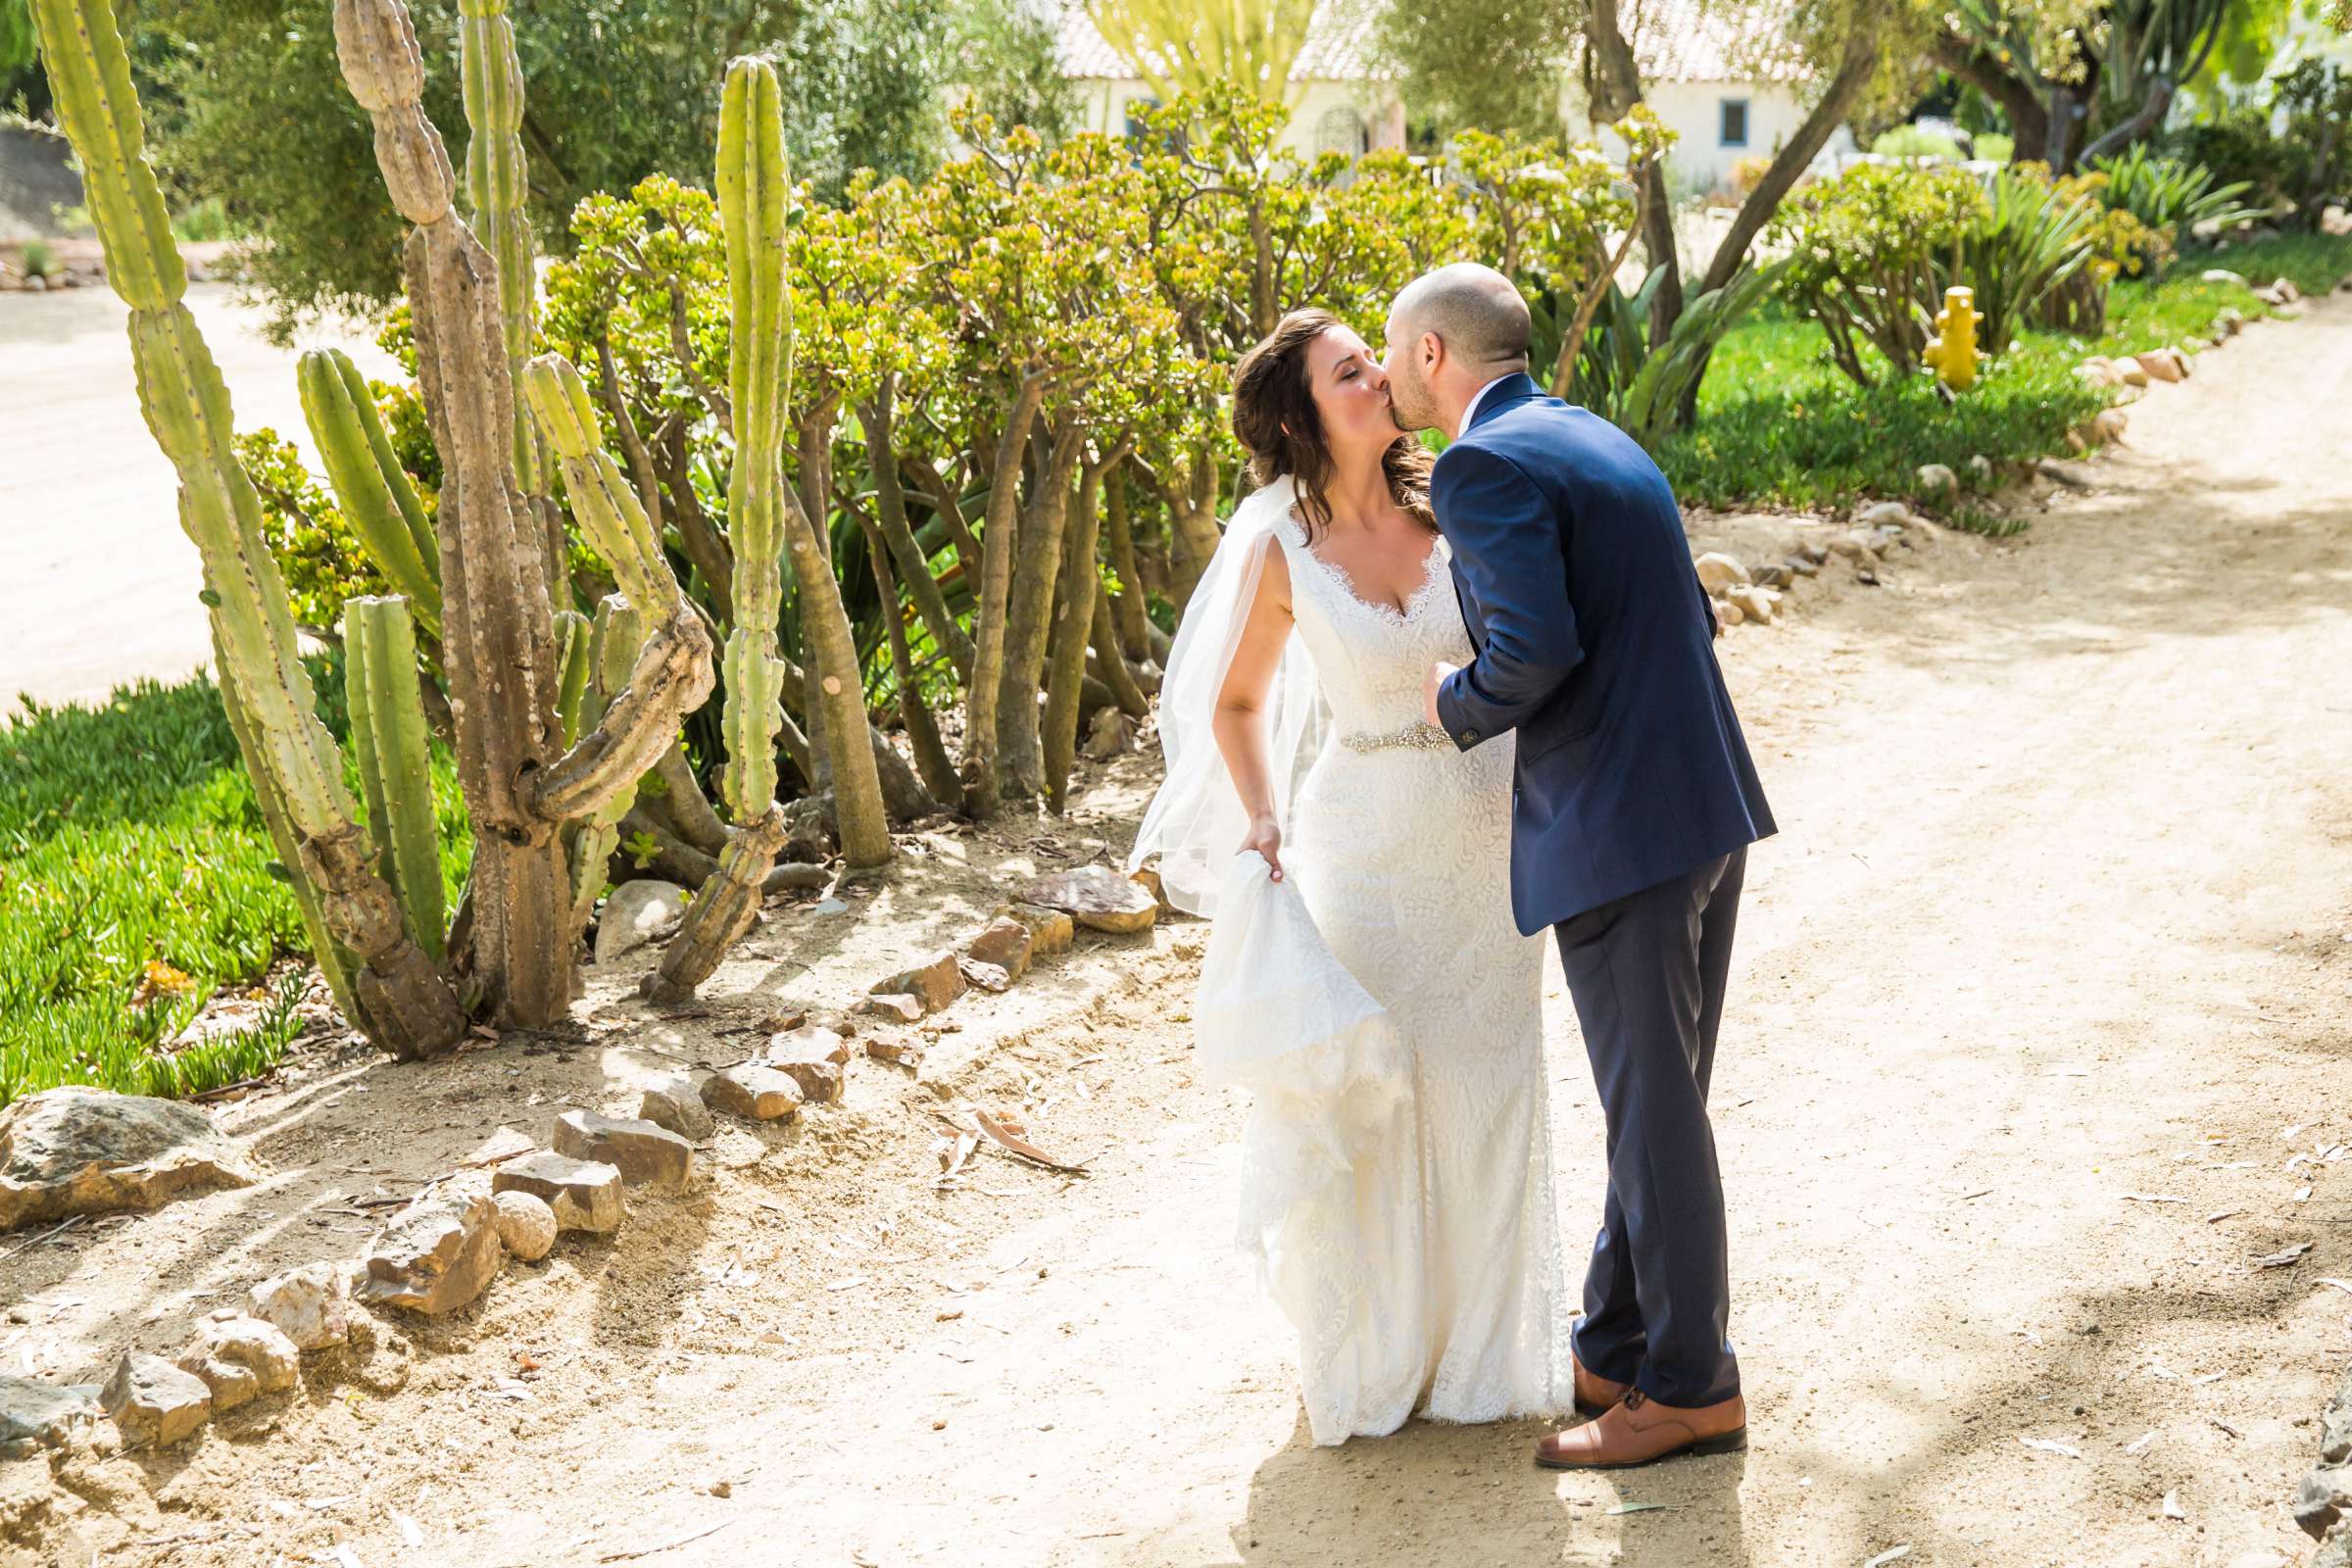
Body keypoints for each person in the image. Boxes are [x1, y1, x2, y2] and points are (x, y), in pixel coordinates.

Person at [1130, 307, 1574, 1445]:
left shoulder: (1457, 505)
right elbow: (1234, 704)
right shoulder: (1281, 551)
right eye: (1349, 372)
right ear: (1303, 414)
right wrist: (1264, 818)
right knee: (1377, 1090)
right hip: (1361, 843)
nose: (1378, 377)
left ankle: (1480, 1359)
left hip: (1485, 838)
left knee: (1488, 1084)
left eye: (1374, 362)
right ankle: (1377, 1353)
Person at [1386, 262, 1775, 1469]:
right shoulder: (1589, 433)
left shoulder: (1478, 463)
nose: (1392, 371)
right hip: (1698, 805)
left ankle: (1691, 1384)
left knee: (1654, 1113)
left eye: (1397, 350)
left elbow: (1536, 647)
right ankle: (1613, 1342)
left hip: (1617, 833)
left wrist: (1451, 699)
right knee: (1657, 1099)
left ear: (1436, 356)